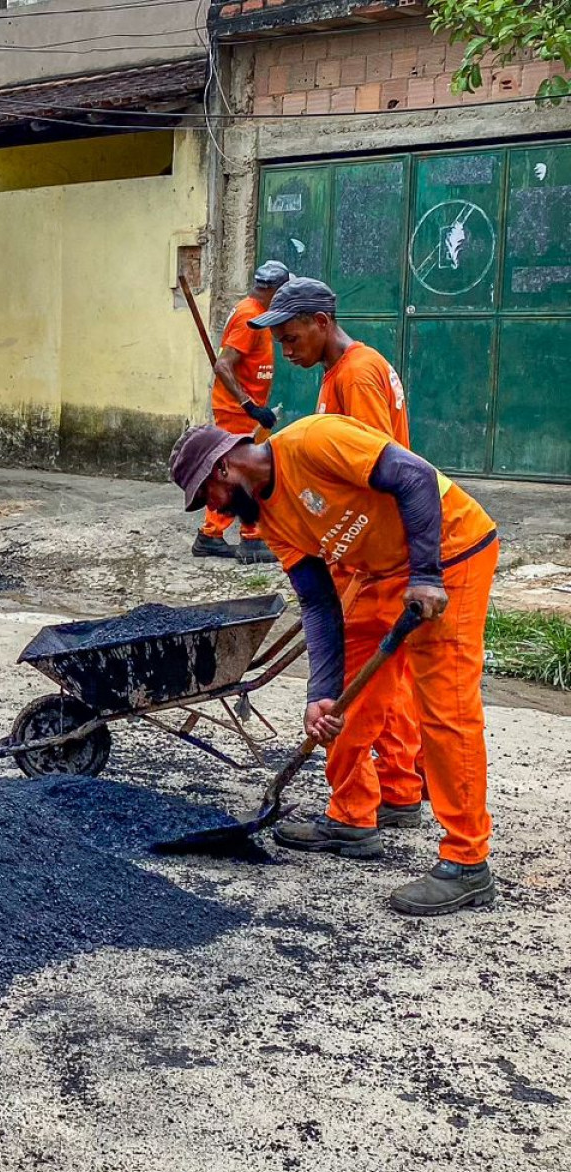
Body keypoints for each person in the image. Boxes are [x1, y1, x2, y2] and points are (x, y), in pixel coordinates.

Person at [170, 418, 498, 917]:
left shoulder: (313, 442)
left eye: (207, 496)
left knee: (445, 708)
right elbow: (319, 603)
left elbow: (414, 477)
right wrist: (318, 694)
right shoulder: (271, 521)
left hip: (448, 555)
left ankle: (467, 861)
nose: (214, 511)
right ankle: (351, 817)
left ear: (223, 469)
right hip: (380, 571)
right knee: (345, 697)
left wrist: (427, 575)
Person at [250, 277, 425, 857]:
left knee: (356, 680)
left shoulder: (357, 374)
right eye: (278, 340)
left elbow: (375, 471)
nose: (285, 349)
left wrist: (343, 549)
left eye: (291, 336)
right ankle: (399, 788)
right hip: (371, 554)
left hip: (373, 555)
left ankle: (353, 811)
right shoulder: (339, 372)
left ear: (321, 322)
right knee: (386, 676)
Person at [195, 259, 289, 564]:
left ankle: (211, 534)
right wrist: (250, 406)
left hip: (243, 410)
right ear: (274, 290)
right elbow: (223, 365)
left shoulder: (256, 311)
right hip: (238, 412)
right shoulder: (250, 315)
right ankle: (251, 537)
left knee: (235, 470)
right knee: (246, 471)